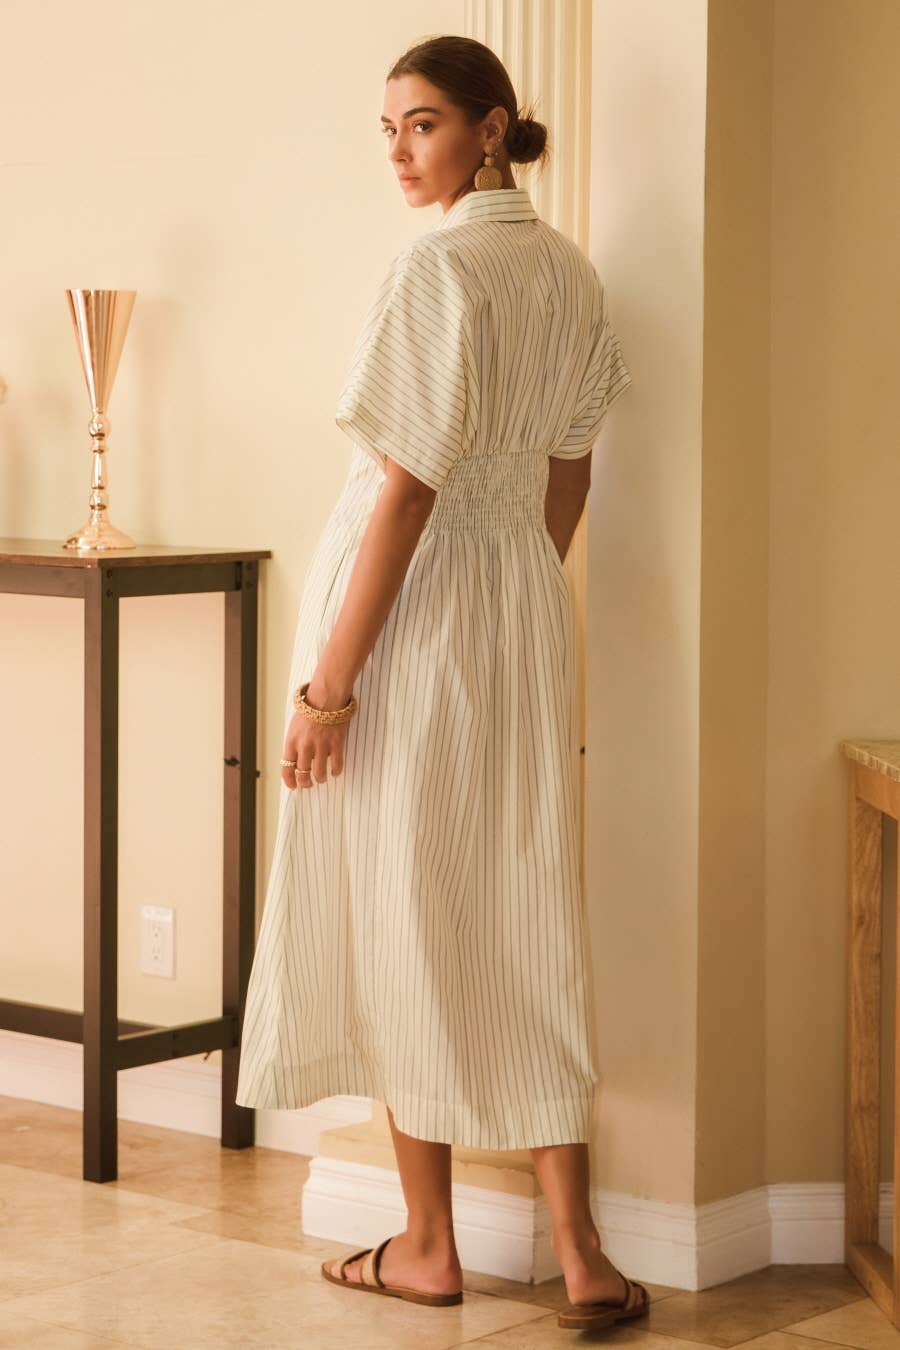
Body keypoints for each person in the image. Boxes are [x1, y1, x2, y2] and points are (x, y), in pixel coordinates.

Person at [235, 33, 648, 1334]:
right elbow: (570, 470)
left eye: (422, 124)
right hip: (519, 612)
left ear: (490, 127)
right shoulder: (569, 271)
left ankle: (427, 1245)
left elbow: (405, 494)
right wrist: (515, 585)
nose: (401, 151)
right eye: (389, 129)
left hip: (407, 620)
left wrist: (329, 687)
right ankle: (581, 1252)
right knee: (523, 900)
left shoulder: (437, 268)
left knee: (403, 900)